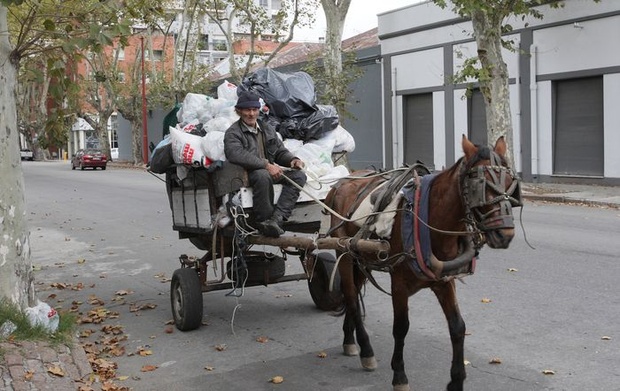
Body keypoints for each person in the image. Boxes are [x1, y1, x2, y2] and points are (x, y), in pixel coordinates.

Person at [224, 91, 307, 237]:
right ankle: (263, 220)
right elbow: (235, 154)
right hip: (248, 174)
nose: (251, 114)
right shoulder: (233, 132)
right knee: (262, 175)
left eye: (254, 110)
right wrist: (266, 165)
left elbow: (279, 151)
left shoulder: (267, 128)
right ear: (239, 111)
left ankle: (277, 219)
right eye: (247, 110)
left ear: (258, 110)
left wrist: (292, 160)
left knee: (299, 176)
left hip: (268, 170)